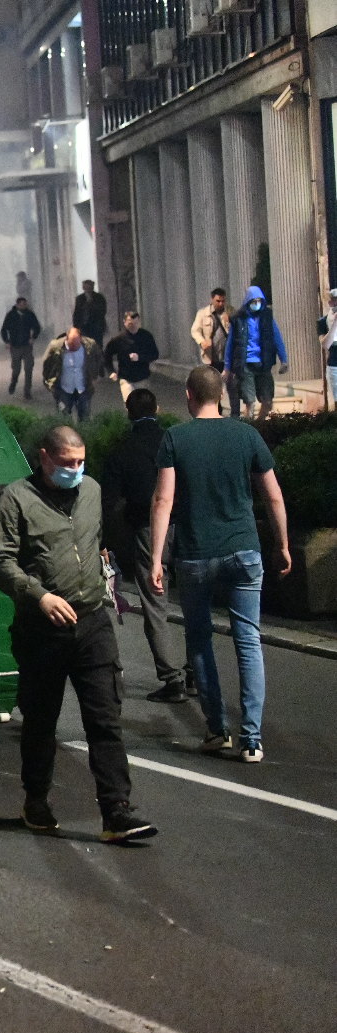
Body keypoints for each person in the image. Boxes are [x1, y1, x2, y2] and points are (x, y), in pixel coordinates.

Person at [0, 426, 156, 842]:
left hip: (92, 621)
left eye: (81, 462)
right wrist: (39, 596)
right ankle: (36, 799)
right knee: (41, 722)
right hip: (41, 629)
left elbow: (96, 543)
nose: (75, 470)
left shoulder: (93, 491)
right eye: (66, 463)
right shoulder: (16, 499)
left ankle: (117, 811)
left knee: (105, 718)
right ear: (44, 457)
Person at [150, 366, 291, 763]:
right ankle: (252, 738)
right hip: (244, 551)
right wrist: (281, 544)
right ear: (221, 395)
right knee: (248, 641)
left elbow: (163, 501)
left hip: (195, 555)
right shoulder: (247, 434)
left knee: (199, 640)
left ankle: (217, 730)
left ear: (190, 396)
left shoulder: (176, 438)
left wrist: (157, 557)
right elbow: (273, 497)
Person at [100, 389, 186, 701]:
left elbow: (107, 503)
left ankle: (172, 678)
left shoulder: (122, 451)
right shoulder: (174, 440)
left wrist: (105, 543)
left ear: (128, 412)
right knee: (195, 602)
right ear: (158, 408)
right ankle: (197, 672)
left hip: (148, 531)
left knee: (155, 604)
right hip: (187, 526)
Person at [223, 285, 288, 421]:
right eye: (254, 301)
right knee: (250, 402)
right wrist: (227, 368)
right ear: (248, 301)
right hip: (246, 364)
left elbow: (277, 338)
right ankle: (250, 428)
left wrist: (284, 359)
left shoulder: (267, 317)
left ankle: (260, 424)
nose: (256, 304)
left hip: (264, 364)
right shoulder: (238, 319)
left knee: (268, 401)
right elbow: (230, 345)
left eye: (259, 301)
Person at [41, 327, 105, 423]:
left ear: (81, 339)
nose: (74, 348)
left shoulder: (90, 345)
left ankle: (83, 436)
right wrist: (49, 382)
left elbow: (99, 358)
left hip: (83, 388)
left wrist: (94, 375)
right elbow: (46, 364)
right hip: (63, 389)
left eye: (77, 345)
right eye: (71, 345)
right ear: (66, 339)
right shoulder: (55, 347)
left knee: (85, 419)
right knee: (63, 419)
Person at [191, 287, 237, 417]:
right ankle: (217, 412)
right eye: (218, 301)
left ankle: (235, 414)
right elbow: (195, 330)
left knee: (232, 386)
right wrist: (202, 341)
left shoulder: (231, 312)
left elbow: (240, 328)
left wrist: (231, 320)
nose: (221, 304)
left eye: (223, 301)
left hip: (228, 357)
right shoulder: (203, 313)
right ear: (212, 299)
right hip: (211, 357)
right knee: (213, 386)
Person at [104, 310, 159, 401]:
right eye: (130, 323)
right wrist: (111, 371)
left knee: (143, 406)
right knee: (130, 405)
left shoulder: (146, 336)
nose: (133, 326)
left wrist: (140, 358)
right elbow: (107, 355)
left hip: (142, 378)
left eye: (136, 323)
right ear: (124, 322)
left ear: (139, 322)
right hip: (126, 378)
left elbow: (155, 354)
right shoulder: (118, 339)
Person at [0, 295, 42, 399]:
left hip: (27, 346)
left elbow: (37, 327)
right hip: (15, 346)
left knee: (28, 368)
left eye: (25, 304)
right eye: (22, 304)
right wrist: (7, 341)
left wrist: (33, 337)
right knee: (16, 369)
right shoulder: (11, 315)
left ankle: (27, 391)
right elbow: (4, 329)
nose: (24, 306)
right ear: (17, 304)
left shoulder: (30, 314)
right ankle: (13, 382)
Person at [72, 279, 108, 346]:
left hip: (97, 327)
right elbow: (77, 313)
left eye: (89, 287)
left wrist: (91, 304)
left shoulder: (99, 298)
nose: (88, 289)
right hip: (84, 328)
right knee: (85, 345)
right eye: (86, 287)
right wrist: (75, 327)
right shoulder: (80, 299)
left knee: (97, 345)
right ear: (83, 288)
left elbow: (103, 311)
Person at [322, 288, 337, 409]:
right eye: (334, 301)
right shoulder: (323, 322)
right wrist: (335, 324)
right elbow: (325, 344)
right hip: (334, 365)